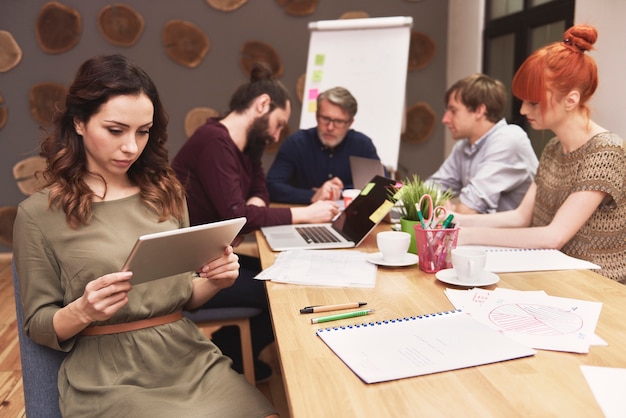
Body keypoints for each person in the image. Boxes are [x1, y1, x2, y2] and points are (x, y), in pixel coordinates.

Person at [12, 54, 278, 417]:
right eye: (116, 130)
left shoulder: (166, 191)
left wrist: (216, 280)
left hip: (187, 357)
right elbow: (39, 325)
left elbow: (185, 297)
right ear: (79, 122)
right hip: (108, 377)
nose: (132, 147)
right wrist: (83, 309)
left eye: (143, 131)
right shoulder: (38, 215)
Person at [172, 63, 339, 382]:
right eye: (278, 125)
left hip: (213, 257)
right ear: (262, 105)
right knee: (281, 293)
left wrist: (249, 209)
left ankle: (227, 353)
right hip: (191, 269)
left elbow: (259, 190)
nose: (277, 135)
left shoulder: (245, 148)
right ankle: (227, 355)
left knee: (281, 276)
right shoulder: (213, 142)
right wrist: (304, 213)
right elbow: (239, 215)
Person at [455, 24, 626, 283]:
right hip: (555, 275)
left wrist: (466, 235)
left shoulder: (606, 152)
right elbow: (522, 217)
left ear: (570, 100)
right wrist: (457, 221)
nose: (523, 110)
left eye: (533, 102)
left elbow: (553, 236)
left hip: (598, 288)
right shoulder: (553, 149)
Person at [427, 73, 539, 214]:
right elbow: (427, 189)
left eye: (453, 111)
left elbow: (467, 211)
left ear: (479, 111)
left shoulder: (509, 139)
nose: (445, 119)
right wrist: (439, 199)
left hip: (519, 235)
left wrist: (445, 207)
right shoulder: (463, 147)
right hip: (487, 234)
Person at [266, 86, 382, 204]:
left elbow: (381, 185)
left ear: (350, 123)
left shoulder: (362, 145)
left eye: (339, 122)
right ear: (316, 115)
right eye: (325, 118)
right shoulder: (296, 143)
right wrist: (313, 195)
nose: (330, 127)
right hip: (304, 216)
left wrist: (340, 191)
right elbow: (272, 186)